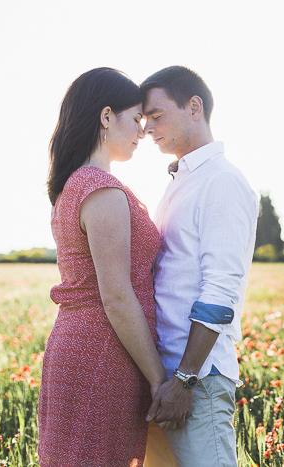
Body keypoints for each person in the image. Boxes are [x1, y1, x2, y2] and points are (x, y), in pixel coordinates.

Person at [38, 67, 172, 466]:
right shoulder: (101, 189)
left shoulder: (74, 186)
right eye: (136, 119)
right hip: (103, 352)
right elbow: (115, 296)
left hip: (82, 345)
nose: (142, 132)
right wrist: (157, 378)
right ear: (106, 116)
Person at [141, 66, 258, 467]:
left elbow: (221, 290)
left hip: (195, 382)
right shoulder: (182, 179)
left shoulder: (220, 181)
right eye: (143, 120)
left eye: (156, 116)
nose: (147, 128)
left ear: (194, 107)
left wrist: (186, 379)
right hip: (164, 378)